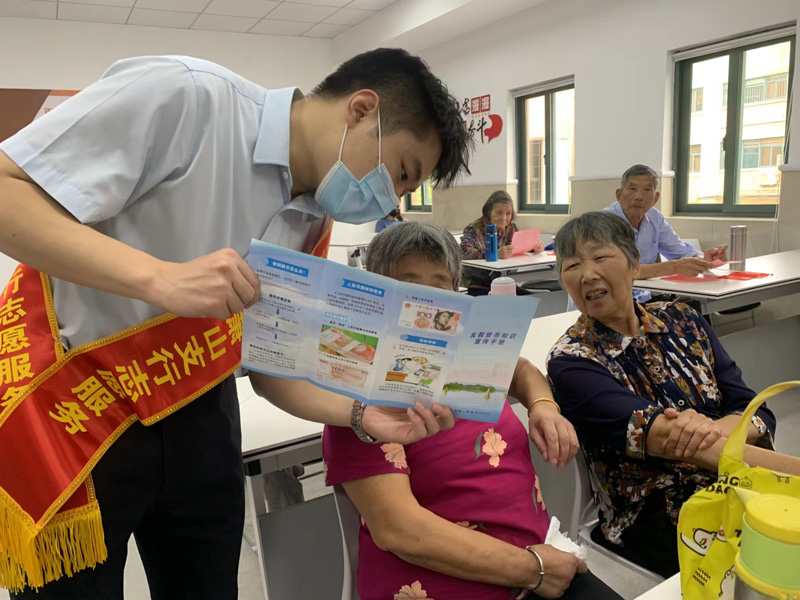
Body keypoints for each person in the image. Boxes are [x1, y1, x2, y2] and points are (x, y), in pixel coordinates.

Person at [0, 48, 471, 598]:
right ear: (362, 110)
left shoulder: (314, 219)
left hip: (201, 411)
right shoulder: (188, 97)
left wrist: (362, 414)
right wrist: (159, 278)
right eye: (401, 173)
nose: (390, 199)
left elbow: (271, 368)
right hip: (78, 411)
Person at [323, 222, 622, 600]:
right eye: (409, 284)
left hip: (540, 566)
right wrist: (534, 570)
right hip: (450, 584)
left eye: (441, 284)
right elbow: (398, 530)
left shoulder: (464, 354)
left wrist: (543, 407)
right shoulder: (361, 395)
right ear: (379, 295)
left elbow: (520, 370)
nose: (428, 301)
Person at [546, 211, 777, 578]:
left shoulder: (683, 319)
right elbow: (672, 441)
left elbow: (755, 411)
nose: (587, 274)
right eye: (572, 265)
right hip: (658, 509)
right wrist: (788, 471)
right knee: (775, 558)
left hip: (742, 479)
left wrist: (713, 430)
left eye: (601, 257)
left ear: (635, 264)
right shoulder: (573, 360)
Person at [605, 164, 727, 303]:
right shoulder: (605, 222)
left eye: (647, 190)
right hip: (613, 301)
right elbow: (618, 272)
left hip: (645, 298)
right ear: (619, 195)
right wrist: (674, 267)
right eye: (632, 189)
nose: (638, 196)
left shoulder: (654, 217)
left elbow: (681, 253)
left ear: (655, 198)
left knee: (694, 305)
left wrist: (704, 260)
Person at [461, 190, 545, 295]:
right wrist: (495, 254)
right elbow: (465, 252)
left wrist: (534, 247)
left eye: (508, 213)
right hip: (478, 284)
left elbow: (522, 244)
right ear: (489, 211)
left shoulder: (511, 228)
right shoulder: (474, 228)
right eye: (499, 212)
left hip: (504, 281)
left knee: (532, 297)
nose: (504, 218)